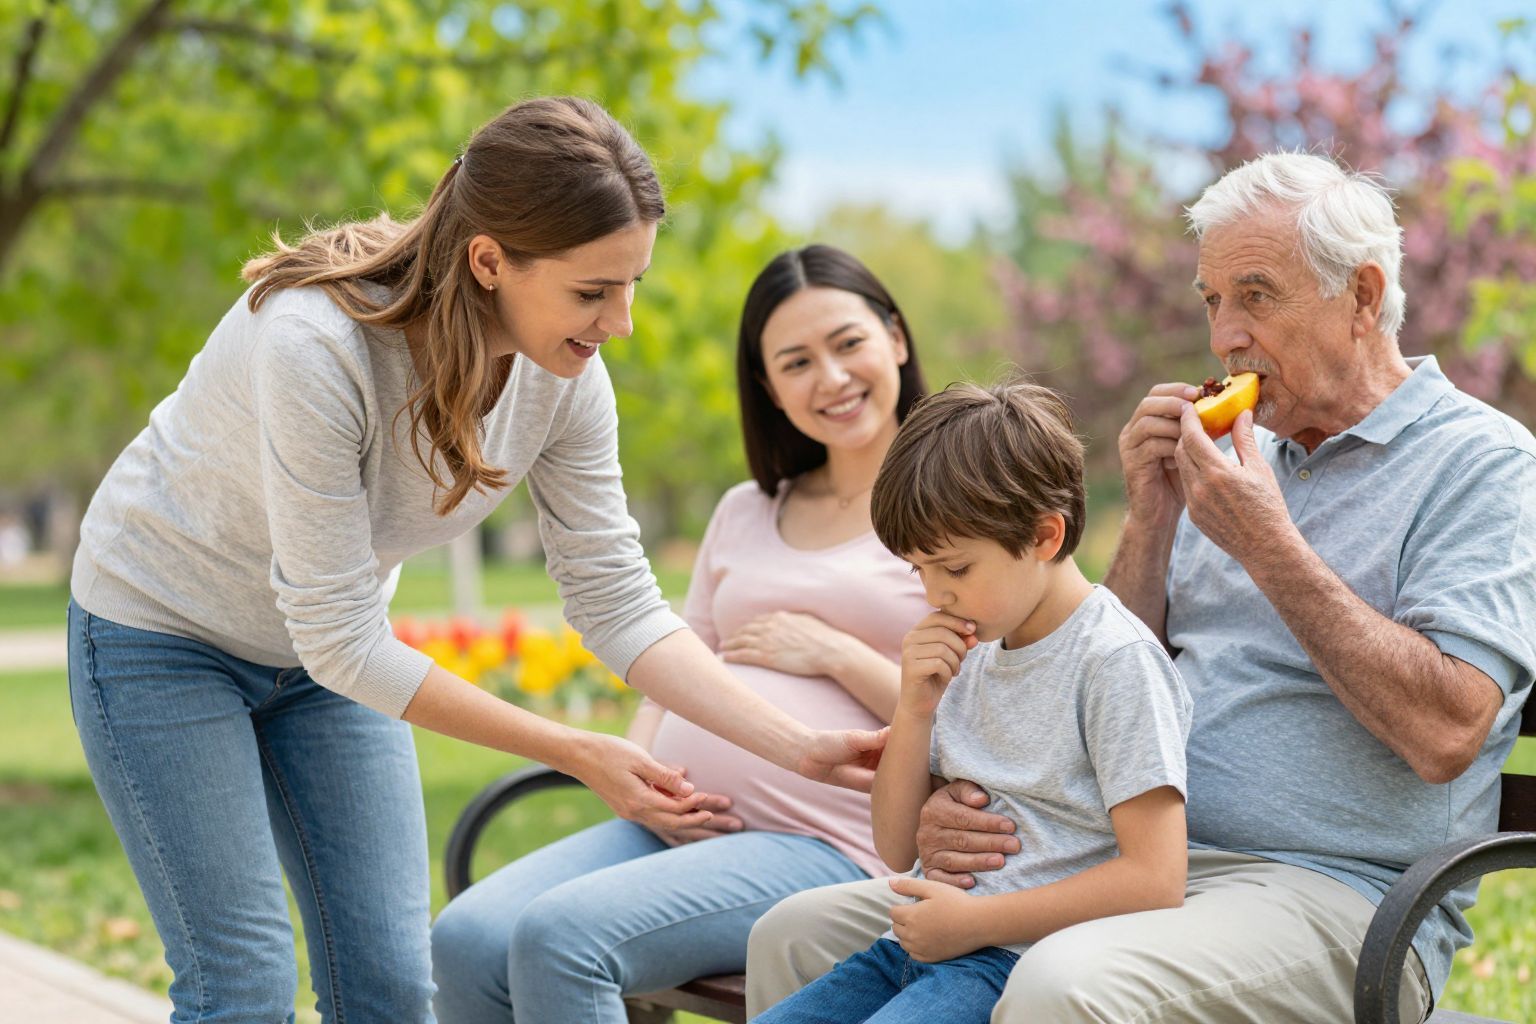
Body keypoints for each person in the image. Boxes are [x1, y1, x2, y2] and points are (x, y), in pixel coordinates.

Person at [66, 99, 883, 1024]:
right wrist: (576, 750)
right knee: (243, 986)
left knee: (389, 984)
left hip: (324, 663)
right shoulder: (317, 346)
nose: (619, 323)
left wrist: (797, 745)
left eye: (633, 286)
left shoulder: (564, 377)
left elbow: (615, 600)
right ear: (490, 261)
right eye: (591, 292)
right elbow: (340, 639)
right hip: (161, 634)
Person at [746, 152, 1536, 1023]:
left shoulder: (1482, 465)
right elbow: (1110, 669)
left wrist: (1267, 544)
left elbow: (1449, 731)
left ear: (1360, 294)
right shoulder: (1234, 455)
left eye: (1256, 296)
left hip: (1339, 893)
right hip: (1113, 847)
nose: (1223, 336)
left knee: (1064, 986)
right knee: (796, 932)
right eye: (1212, 301)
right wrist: (1155, 517)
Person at [429, 244, 933, 1023]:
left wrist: (837, 655)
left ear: (896, 338)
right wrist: (646, 784)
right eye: (795, 362)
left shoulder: (952, 507)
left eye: (848, 344)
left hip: (830, 841)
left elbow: (995, 707)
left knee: (563, 939)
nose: (829, 378)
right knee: (466, 938)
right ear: (767, 388)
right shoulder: (745, 509)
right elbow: (672, 656)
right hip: (679, 828)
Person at [752, 380, 1191, 1024]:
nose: (935, 594)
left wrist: (976, 922)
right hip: (911, 947)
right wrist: (914, 710)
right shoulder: (973, 650)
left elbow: (1156, 877)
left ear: (1044, 537)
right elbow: (897, 845)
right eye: (918, 571)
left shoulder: (1113, 660)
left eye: (955, 569)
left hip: (1007, 960)